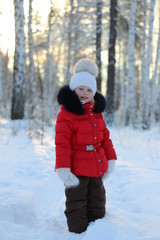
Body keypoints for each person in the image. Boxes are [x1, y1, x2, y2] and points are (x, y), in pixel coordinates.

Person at [55, 58, 117, 234]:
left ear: (94, 93)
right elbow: (62, 143)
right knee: (77, 201)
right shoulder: (66, 114)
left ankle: (97, 230)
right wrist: (63, 167)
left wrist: (111, 157)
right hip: (76, 169)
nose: (84, 92)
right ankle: (78, 232)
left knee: (97, 199)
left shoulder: (96, 114)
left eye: (89, 90)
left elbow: (105, 138)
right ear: (74, 90)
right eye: (80, 88)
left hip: (97, 165)